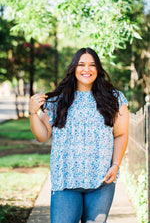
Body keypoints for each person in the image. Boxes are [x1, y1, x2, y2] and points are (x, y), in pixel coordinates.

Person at [29, 47, 129, 223]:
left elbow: (120, 135)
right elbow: (42, 136)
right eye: (81, 64)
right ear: (74, 68)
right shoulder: (57, 100)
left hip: (101, 181)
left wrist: (115, 164)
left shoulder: (114, 99)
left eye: (92, 65)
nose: (86, 69)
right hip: (66, 181)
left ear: (98, 69)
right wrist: (32, 113)